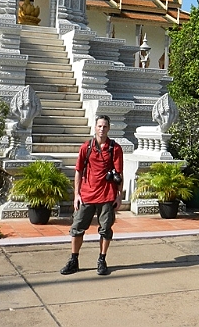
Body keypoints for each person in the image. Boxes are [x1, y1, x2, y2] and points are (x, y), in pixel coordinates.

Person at [60, 115, 123, 276]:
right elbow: (78, 171)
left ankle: (102, 259)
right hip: (87, 195)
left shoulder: (115, 148)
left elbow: (119, 174)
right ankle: (74, 259)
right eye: (99, 126)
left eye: (105, 126)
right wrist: (76, 194)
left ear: (109, 128)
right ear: (95, 127)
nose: (102, 129)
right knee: (77, 228)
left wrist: (118, 196)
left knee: (105, 229)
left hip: (107, 196)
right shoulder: (86, 147)